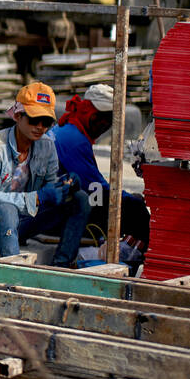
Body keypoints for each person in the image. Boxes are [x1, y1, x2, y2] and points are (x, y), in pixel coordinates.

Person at [0, 82, 92, 266]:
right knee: (7, 209)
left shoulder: (47, 145)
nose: (40, 127)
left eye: (46, 122)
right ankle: (16, 273)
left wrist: (65, 185)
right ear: (17, 116)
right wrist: (36, 198)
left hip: (24, 222)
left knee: (79, 199)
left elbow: (50, 186)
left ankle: (62, 267)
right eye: (33, 120)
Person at [47, 83, 151, 267]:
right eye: (106, 121)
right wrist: (128, 199)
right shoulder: (74, 139)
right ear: (94, 116)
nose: (107, 127)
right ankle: (127, 253)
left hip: (54, 198)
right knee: (135, 210)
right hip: (55, 207)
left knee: (126, 201)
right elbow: (94, 188)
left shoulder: (69, 129)